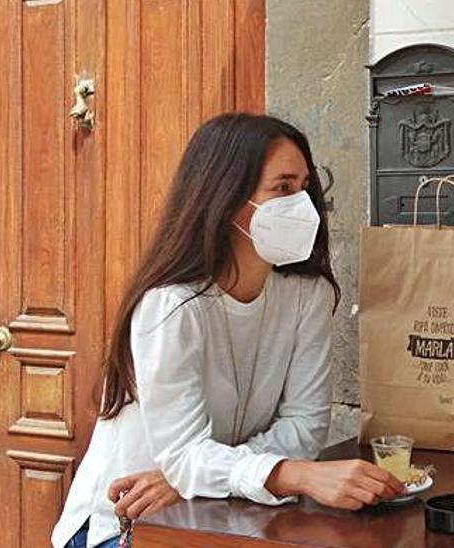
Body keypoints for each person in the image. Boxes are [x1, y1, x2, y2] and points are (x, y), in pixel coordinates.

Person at [52, 113, 405, 548]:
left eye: (304, 187)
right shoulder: (172, 305)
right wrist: (289, 474)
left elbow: (305, 427)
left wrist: (194, 478)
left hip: (217, 512)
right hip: (125, 525)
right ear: (224, 197)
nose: (302, 204)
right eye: (281, 188)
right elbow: (186, 455)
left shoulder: (306, 294)